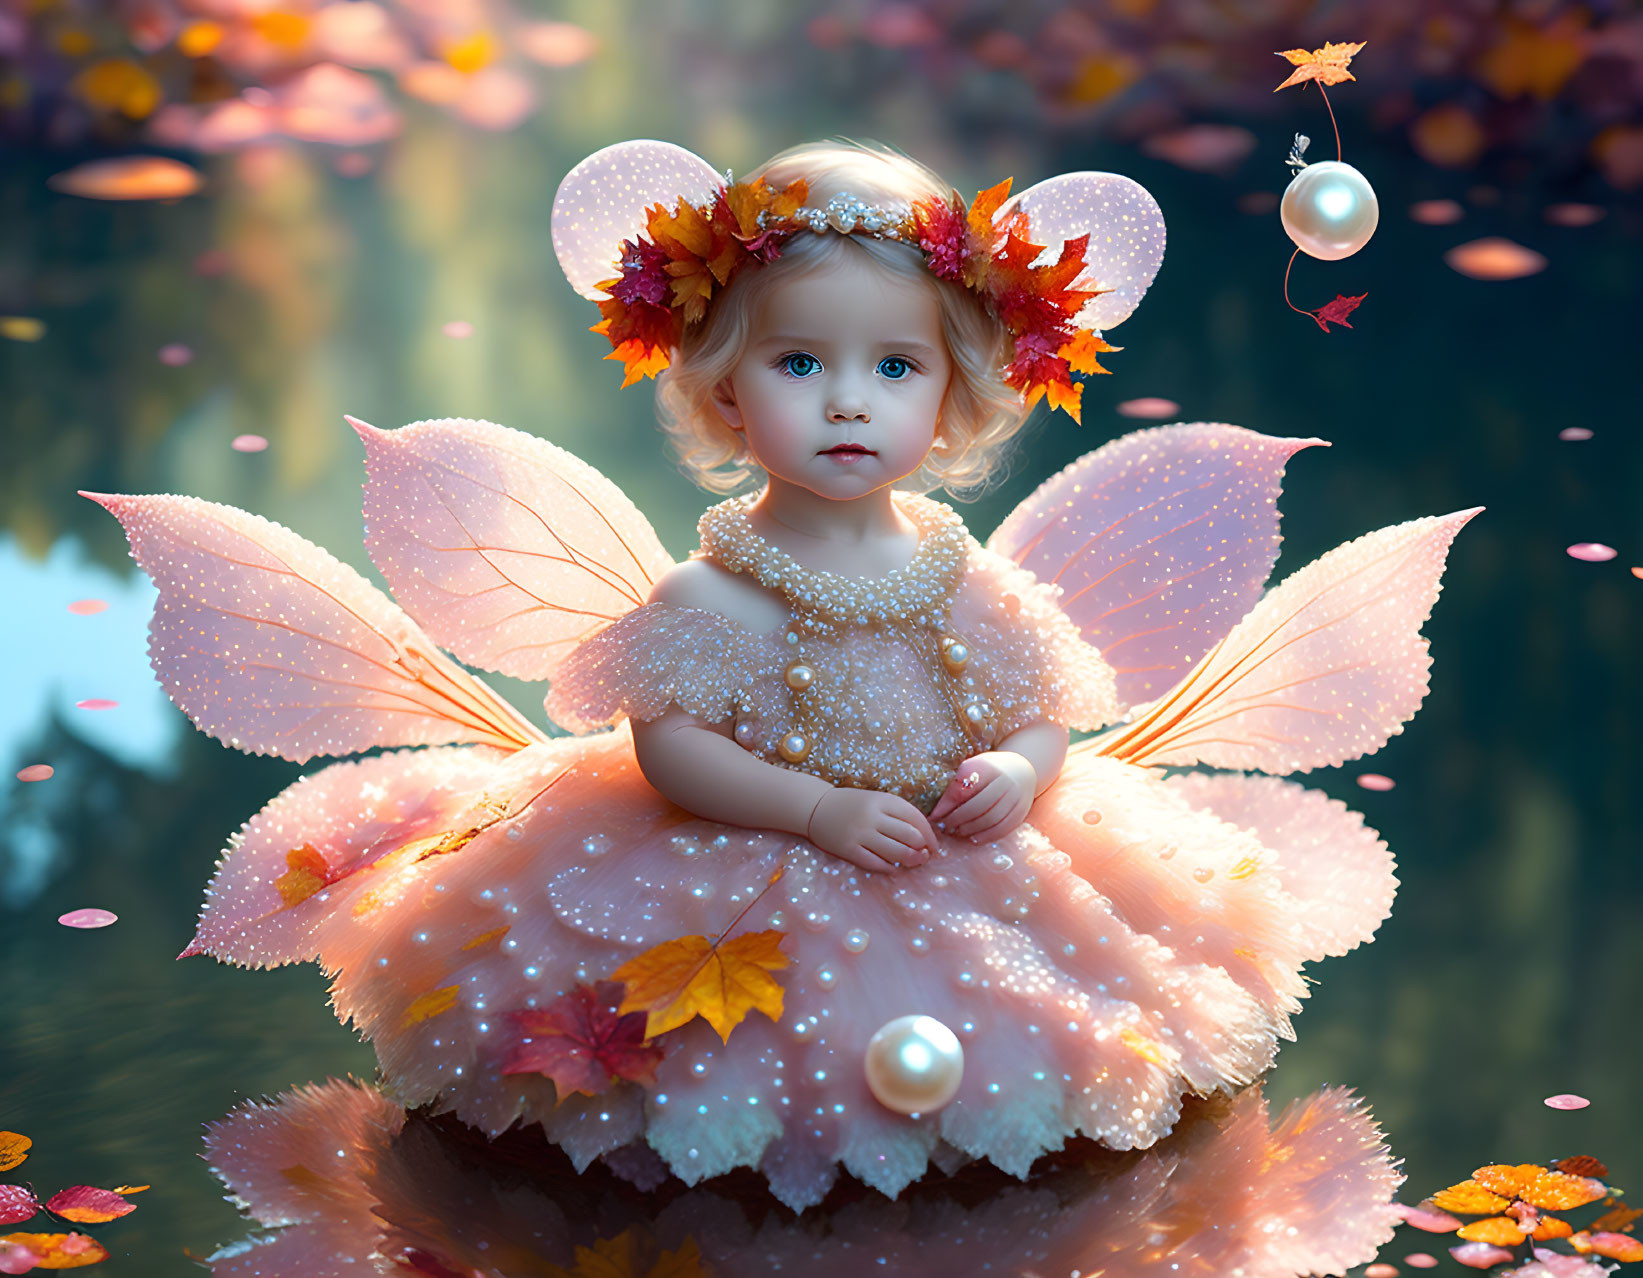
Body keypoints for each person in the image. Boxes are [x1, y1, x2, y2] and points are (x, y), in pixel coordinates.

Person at [87, 137, 1476, 1212]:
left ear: (956, 395)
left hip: (954, 848)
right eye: (802, 361)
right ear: (724, 390)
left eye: (895, 365)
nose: (850, 400)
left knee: (1067, 997)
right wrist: (809, 812)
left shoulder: (961, 572)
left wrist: (1019, 769)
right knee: (714, 1041)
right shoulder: (713, 592)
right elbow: (667, 750)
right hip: (745, 860)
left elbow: (1037, 712)